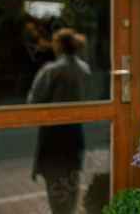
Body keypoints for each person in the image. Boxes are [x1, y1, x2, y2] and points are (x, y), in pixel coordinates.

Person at [27, 28, 91, 214]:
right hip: (75, 133)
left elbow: (33, 101)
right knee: (72, 182)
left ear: (59, 45)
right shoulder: (84, 69)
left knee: (55, 185)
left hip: (53, 134)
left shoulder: (52, 69)